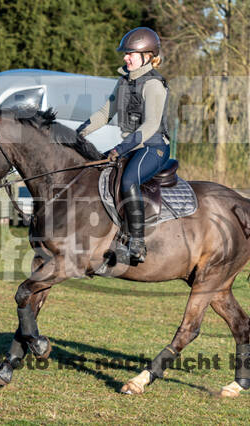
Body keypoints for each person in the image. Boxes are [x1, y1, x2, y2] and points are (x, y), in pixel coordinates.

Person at [77, 27, 170, 264]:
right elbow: (104, 114)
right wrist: (78, 134)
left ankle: (137, 243)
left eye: (130, 53)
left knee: (129, 180)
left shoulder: (154, 85)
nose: (125, 57)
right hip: (132, 146)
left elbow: (150, 126)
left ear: (147, 56)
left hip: (153, 147)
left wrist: (119, 149)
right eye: (125, 53)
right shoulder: (123, 83)